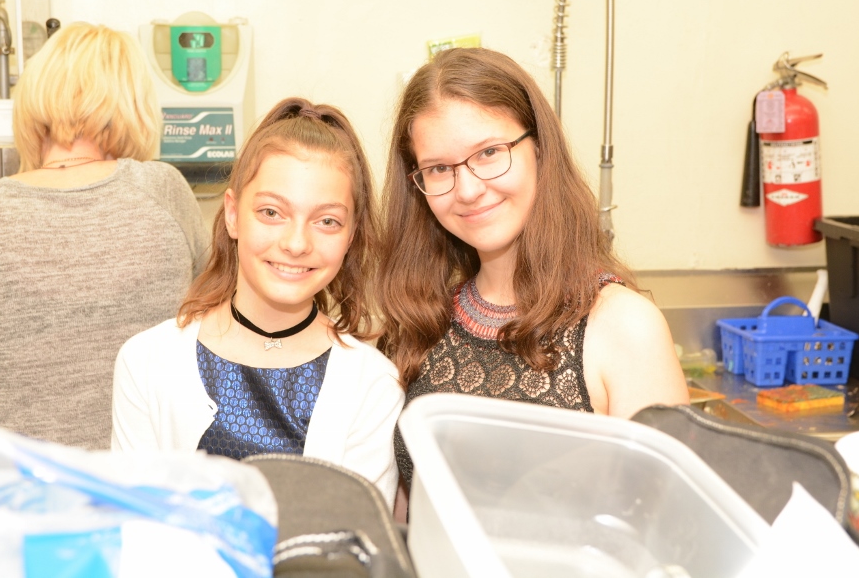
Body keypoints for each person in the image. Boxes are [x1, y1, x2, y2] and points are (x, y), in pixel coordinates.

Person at [379, 47, 689, 491]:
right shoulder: (418, 324)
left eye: (489, 152)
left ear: (540, 149)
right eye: (439, 168)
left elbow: (664, 515)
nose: (467, 190)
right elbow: (402, 509)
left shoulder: (624, 327)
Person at [0, 22, 208, 450]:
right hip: (145, 482)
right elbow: (222, 331)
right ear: (135, 108)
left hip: (20, 484)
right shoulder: (162, 190)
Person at [112, 97, 404, 508]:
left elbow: (352, 538)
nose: (296, 243)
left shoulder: (372, 386)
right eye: (271, 212)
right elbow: (134, 526)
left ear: (351, 235)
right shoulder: (147, 361)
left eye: (327, 221)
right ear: (233, 214)